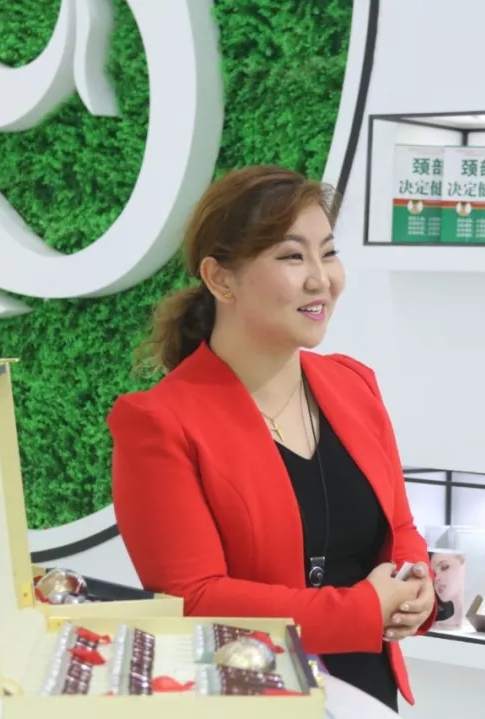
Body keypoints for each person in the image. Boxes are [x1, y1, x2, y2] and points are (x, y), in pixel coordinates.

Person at [108, 165, 437, 711]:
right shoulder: (158, 421)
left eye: (328, 253)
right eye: (292, 256)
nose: (321, 279)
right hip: (249, 698)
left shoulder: (353, 385)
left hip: (366, 692)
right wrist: (360, 610)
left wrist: (414, 586)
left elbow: (399, 526)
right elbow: (192, 598)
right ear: (221, 280)